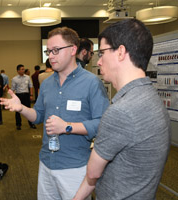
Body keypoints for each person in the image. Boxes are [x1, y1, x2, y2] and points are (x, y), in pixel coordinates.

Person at [1, 27, 109, 199]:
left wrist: (67, 127)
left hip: (74, 167)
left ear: (73, 49)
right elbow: (38, 116)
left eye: (56, 50)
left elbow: (103, 124)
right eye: (48, 51)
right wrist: (22, 108)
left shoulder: (91, 83)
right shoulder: (46, 84)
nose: (50, 56)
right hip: (46, 163)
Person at [73, 19, 171, 200]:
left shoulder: (121, 111)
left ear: (120, 52)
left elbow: (93, 172)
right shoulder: (151, 97)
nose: (99, 61)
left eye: (102, 53)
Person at [11, 64, 36, 130]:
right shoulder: (14, 79)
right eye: (22, 69)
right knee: (17, 110)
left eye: (23, 69)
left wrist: (31, 95)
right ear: (18, 71)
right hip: (18, 95)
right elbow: (13, 89)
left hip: (26, 95)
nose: (23, 70)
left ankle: (31, 124)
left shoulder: (28, 77)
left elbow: (31, 86)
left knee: (29, 110)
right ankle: (18, 125)